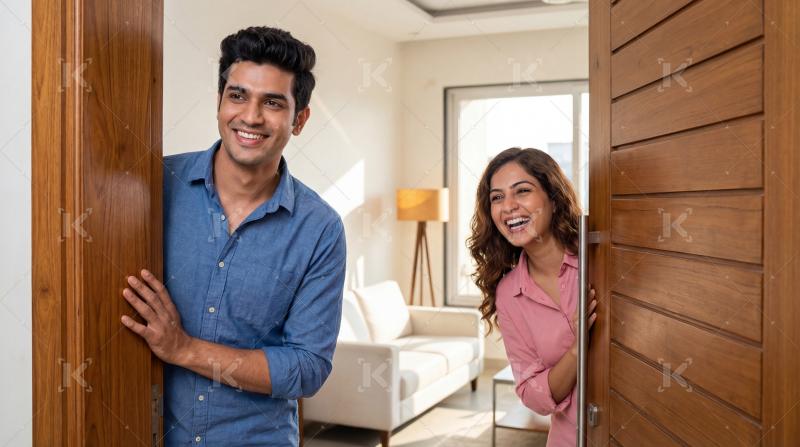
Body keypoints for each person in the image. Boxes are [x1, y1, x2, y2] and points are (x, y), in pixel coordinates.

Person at [119, 26, 346, 446]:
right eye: (238, 95)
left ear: (299, 120)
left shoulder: (320, 229)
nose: (251, 116)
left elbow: (307, 367)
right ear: (220, 102)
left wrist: (185, 349)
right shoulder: (154, 186)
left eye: (273, 103)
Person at [468, 147, 597, 447]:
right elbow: (532, 395)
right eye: (497, 197)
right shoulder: (508, 294)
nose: (508, 206)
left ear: (553, 197)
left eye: (522, 191)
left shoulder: (597, 257)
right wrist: (577, 349)